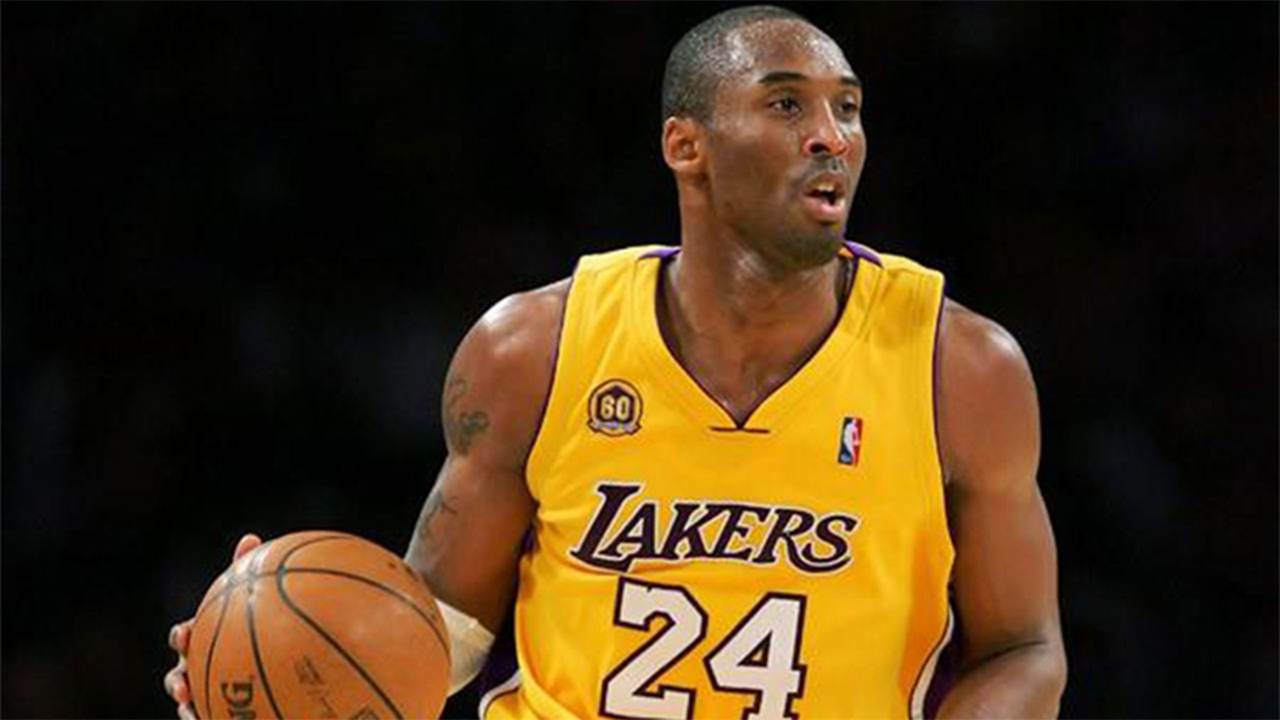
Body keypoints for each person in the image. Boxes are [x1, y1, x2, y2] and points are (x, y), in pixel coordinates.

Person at [165, 6, 1066, 718]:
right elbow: (440, 633)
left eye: (849, 107)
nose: (832, 134)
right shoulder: (534, 351)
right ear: (686, 146)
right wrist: (278, 647)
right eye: (787, 104)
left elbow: (1025, 649)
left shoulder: (960, 370)